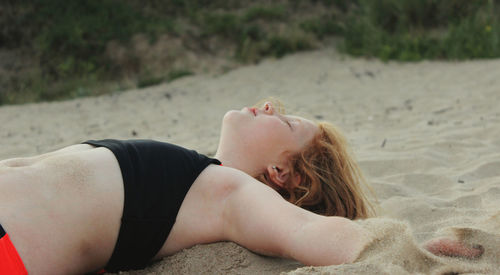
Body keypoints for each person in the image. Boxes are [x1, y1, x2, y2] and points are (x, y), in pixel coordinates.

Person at [1, 99, 376, 274]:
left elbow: (307, 229)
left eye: (286, 122)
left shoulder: (229, 192)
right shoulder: (196, 176)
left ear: (282, 172)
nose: (267, 106)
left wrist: (398, 251)